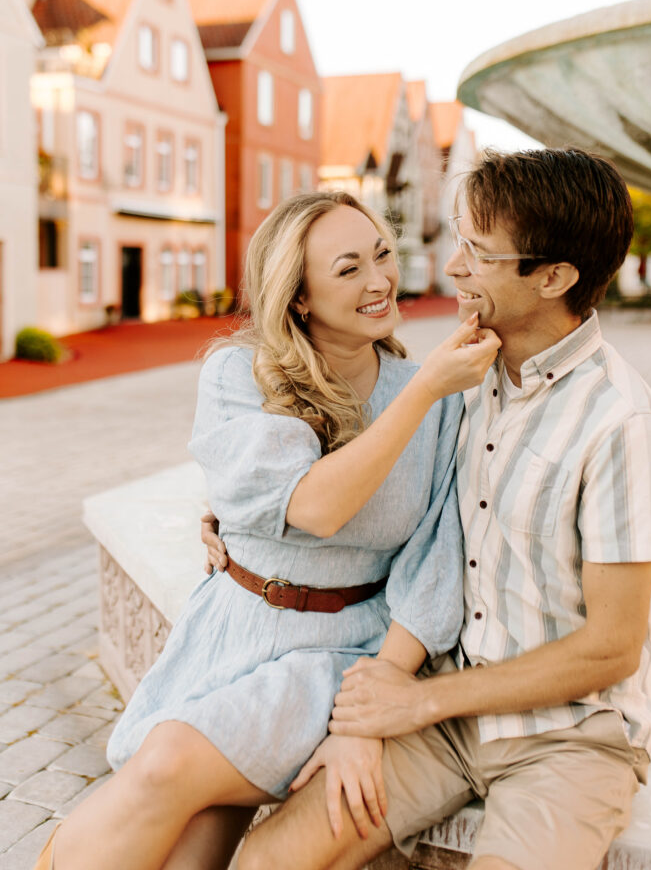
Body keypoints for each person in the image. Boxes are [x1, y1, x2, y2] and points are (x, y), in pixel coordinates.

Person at [231, 148, 651, 870]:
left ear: (554, 277)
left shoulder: (620, 421)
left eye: (477, 251)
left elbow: (612, 647)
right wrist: (235, 527)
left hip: (569, 734)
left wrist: (416, 703)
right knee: (266, 860)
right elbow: (351, 488)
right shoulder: (464, 375)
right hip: (445, 712)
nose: (454, 266)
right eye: (457, 239)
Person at [33, 191, 500, 870]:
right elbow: (307, 503)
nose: (377, 281)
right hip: (234, 626)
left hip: (338, 652)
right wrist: (421, 392)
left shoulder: (432, 393)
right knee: (192, 844)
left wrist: (422, 389)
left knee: (166, 766)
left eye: (380, 256)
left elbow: (433, 561)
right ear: (300, 296)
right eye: (347, 269)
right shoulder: (239, 372)